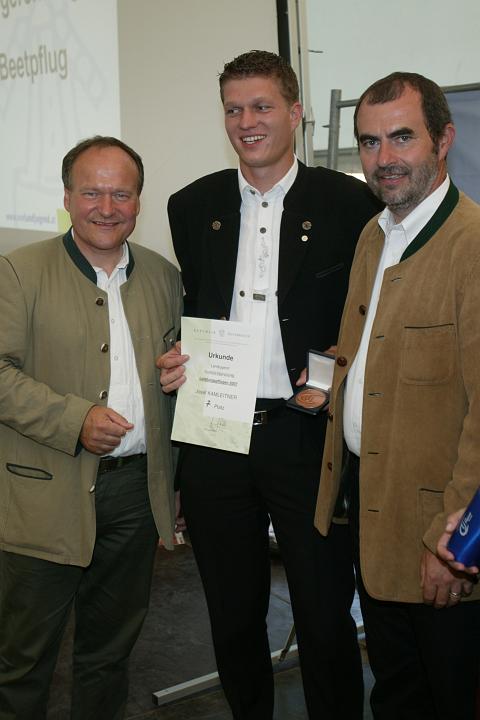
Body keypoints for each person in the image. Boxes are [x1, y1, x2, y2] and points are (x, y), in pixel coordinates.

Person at [157, 50, 381, 719]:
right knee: (231, 615)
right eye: (234, 109)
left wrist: (336, 365)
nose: (246, 121)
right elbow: (197, 308)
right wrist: (178, 355)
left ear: (295, 112)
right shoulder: (191, 206)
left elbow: (367, 316)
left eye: (261, 106)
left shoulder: (350, 203)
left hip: (306, 438)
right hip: (216, 435)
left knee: (323, 614)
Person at [315, 72, 480, 720]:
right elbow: (366, 354)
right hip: (375, 521)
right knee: (398, 696)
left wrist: (456, 548)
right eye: (369, 142)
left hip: (441, 543)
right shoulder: (374, 235)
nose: (384, 158)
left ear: (444, 139)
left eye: (402, 137)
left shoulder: (472, 247)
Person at [0, 136, 182, 720]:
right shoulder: (18, 272)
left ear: (139, 201)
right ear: (66, 197)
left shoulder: (164, 277)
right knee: (23, 661)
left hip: (134, 497)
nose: (107, 207)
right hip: (42, 494)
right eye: (91, 193)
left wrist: (183, 377)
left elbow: (179, 379)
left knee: (109, 656)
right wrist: (74, 419)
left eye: (121, 194)